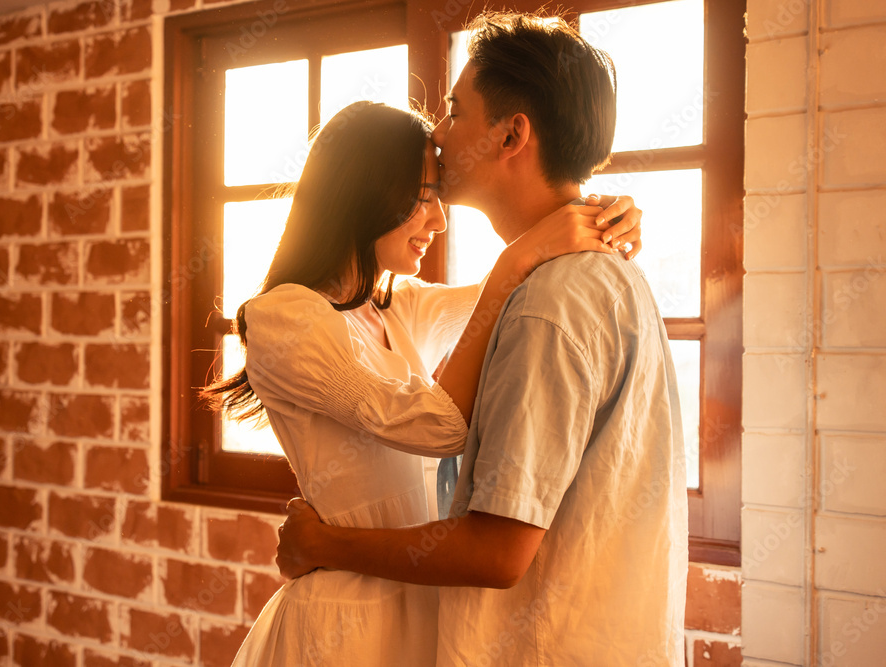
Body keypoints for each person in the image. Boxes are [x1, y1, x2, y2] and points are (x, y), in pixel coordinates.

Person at [276, 12, 688, 667]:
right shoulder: (591, 276)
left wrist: (323, 545)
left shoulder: (550, 303)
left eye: (453, 109)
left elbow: (496, 552)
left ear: (511, 133)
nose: (438, 134)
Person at [197, 98, 642, 665]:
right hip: (342, 622)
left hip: (424, 605)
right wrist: (515, 259)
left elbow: (536, 279)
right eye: (426, 199)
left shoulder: (399, 309)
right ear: (365, 192)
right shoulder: (284, 317)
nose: (439, 220)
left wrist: (610, 217)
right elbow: (439, 426)